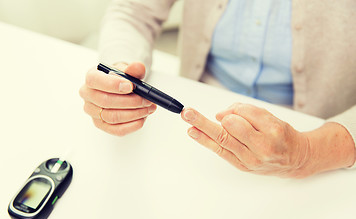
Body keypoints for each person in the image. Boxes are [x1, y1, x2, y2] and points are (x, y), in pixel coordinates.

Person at [79, 0, 356, 178]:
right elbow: (134, 10)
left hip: (320, 135)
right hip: (195, 122)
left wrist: (308, 152)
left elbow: (311, 151)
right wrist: (121, 71)